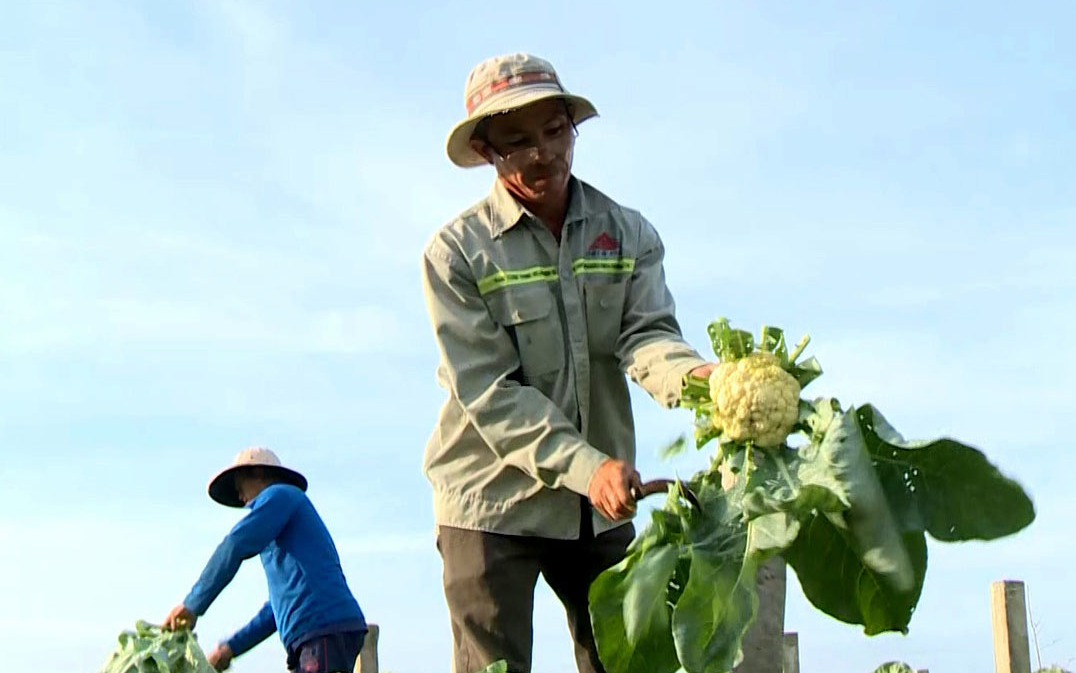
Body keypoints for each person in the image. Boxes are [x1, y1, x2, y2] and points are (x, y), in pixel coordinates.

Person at [420, 52, 716, 673]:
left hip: (599, 504)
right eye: (517, 142)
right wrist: (589, 468)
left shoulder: (626, 233)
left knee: (627, 658)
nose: (542, 154)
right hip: (490, 501)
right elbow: (491, 392)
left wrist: (702, 382)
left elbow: (647, 336)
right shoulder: (456, 255)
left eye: (556, 133)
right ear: (486, 150)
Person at [162, 447, 367, 673]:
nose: (241, 498)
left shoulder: (280, 494)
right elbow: (273, 613)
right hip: (318, 634)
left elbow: (235, 545)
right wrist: (230, 649)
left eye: (240, 488)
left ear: (259, 473)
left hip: (323, 629)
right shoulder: (284, 538)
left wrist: (192, 605)